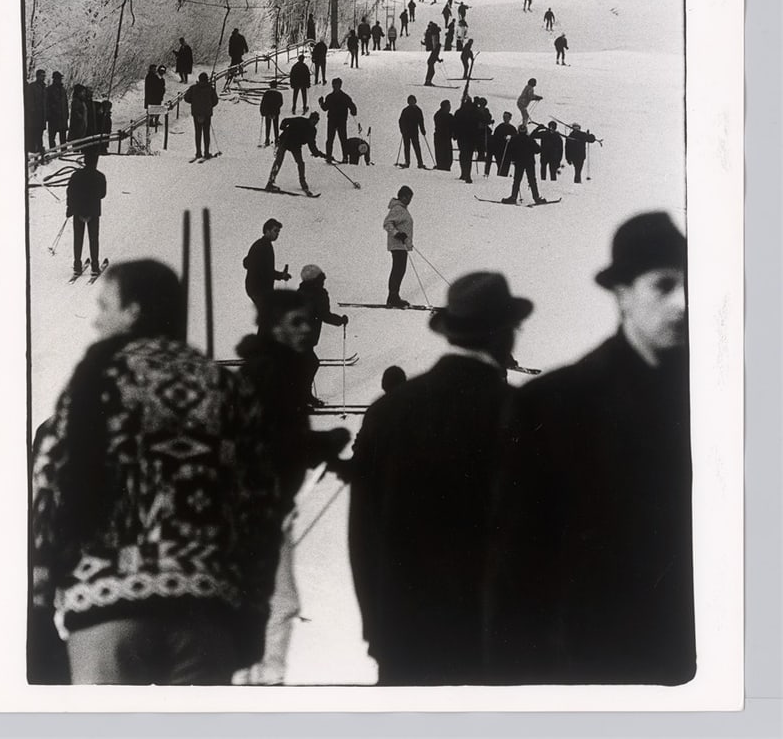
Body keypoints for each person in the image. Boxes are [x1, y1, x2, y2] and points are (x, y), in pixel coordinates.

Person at [30, 259, 282, 685]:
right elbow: (261, 501)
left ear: (133, 311)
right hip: (206, 610)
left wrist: (40, 594)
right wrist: (253, 611)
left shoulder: (98, 378)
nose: (96, 320)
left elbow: (51, 481)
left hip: (106, 606)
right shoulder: (226, 385)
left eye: (104, 304)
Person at [486, 214, 694, 685]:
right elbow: (517, 575)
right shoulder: (554, 404)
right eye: (663, 285)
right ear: (622, 294)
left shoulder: (737, 390)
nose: (684, 303)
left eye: (693, 283)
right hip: (597, 668)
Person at [348, 271, 534, 684]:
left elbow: (364, 535)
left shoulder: (388, 412)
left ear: (449, 332)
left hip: (405, 640)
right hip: (497, 645)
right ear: (505, 334)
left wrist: (380, 632)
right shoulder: (524, 414)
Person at [231, 291, 351, 684]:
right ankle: (259, 684)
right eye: (297, 322)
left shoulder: (279, 367)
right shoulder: (271, 373)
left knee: (269, 602)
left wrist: (325, 454)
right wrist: (321, 445)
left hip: (263, 505)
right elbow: (268, 439)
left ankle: (252, 676)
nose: (306, 329)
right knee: (278, 603)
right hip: (253, 507)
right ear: (275, 326)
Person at [297, 264, 349, 406]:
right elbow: (324, 315)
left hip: (297, 336)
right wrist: (341, 320)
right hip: (306, 338)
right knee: (310, 364)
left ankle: (303, 397)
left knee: (305, 365)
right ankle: (302, 398)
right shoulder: (319, 294)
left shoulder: (301, 291)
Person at [65, 147, 107, 276]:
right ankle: (95, 266)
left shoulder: (76, 175)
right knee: (93, 238)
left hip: (78, 211)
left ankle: (77, 265)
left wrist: (70, 207)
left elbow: (70, 192)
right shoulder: (100, 176)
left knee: (78, 238)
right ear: (95, 162)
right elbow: (102, 194)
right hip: (93, 211)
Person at [266, 111, 325, 195]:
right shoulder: (300, 121)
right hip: (285, 141)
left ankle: (303, 182)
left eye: (316, 122)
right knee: (279, 160)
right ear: (310, 119)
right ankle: (270, 182)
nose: (314, 123)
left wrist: (319, 154)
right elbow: (285, 120)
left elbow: (312, 145)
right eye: (313, 121)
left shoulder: (312, 131)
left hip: (296, 146)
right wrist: (282, 127)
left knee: (300, 163)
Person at [243, 218, 291, 315]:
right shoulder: (263, 246)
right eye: (275, 231)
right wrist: (281, 275)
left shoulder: (261, 244)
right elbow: (265, 271)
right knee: (269, 316)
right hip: (259, 289)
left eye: (278, 232)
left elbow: (247, 262)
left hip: (256, 289)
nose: (277, 234)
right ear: (267, 231)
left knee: (267, 317)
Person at [382, 186, 414, 309]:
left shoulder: (402, 209)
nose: (409, 200)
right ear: (402, 196)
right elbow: (387, 223)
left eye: (411, 197)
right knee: (398, 270)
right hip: (397, 245)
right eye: (408, 197)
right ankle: (392, 298)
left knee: (400, 270)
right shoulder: (398, 209)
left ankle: (394, 297)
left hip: (402, 245)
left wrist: (408, 242)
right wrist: (397, 234)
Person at [319, 78, 358, 164]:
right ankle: (340, 157)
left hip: (335, 121)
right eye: (335, 85)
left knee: (336, 139)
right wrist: (353, 111)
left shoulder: (330, 97)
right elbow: (352, 106)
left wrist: (321, 103)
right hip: (339, 121)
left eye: (336, 85)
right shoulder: (344, 97)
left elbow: (325, 108)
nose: (335, 86)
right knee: (337, 139)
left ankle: (336, 157)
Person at [501, 124, 542, 203]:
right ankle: (536, 198)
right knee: (532, 180)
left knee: (516, 180)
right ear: (526, 131)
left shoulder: (514, 139)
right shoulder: (530, 139)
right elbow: (538, 150)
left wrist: (513, 159)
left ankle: (513, 197)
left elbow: (510, 151)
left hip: (519, 163)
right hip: (529, 162)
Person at [183, 71, 219, 160]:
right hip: (207, 114)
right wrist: (209, 105)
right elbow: (215, 101)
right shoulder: (210, 88)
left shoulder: (193, 88)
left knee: (198, 133)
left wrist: (194, 103)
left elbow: (186, 98)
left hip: (196, 113)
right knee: (206, 133)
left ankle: (198, 152)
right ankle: (206, 152)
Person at [453, 95, 480, 183]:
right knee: (468, 156)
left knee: (463, 155)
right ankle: (466, 174)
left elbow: (455, 124)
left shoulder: (460, 112)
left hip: (463, 137)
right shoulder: (474, 111)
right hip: (471, 137)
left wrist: (455, 134)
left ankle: (464, 173)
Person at [398, 95, 427, 169]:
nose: (411, 102)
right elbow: (401, 121)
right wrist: (402, 130)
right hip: (406, 132)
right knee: (407, 147)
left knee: (417, 147)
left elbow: (421, 121)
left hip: (414, 131)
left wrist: (422, 130)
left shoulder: (418, 110)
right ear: (408, 102)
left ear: (415, 101)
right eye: (410, 101)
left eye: (413, 101)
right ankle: (407, 162)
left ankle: (420, 163)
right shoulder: (405, 110)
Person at [485, 112, 516, 177]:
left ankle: (504, 175)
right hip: (499, 149)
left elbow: (515, 138)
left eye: (507, 117)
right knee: (500, 164)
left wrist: (511, 138)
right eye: (504, 117)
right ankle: (500, 174)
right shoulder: (499, 127)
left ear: (510, 118)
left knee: (506, 164)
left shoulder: (512, 128)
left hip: (508, 150)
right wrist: (503, 138)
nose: (505, 118)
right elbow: (496, 137)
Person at [26, 69, 48, 154]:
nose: (43, 78)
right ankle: (33, 151)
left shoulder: (44, 88)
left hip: (42, 116)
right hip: (34, 117)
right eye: (42, 76)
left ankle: (39, 150)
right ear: (37, 76)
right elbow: (30, 102)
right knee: (33, 135)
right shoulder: (32, 87)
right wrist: (33, 113)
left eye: (44, 76)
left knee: (40, 135)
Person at [46, 70, 69, 149]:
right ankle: (53, 151)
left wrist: (66, 116)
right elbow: (47, 104)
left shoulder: (63, 90)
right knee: (52, 136)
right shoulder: (49, 90)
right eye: (58, 79)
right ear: (54, 79)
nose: (59, 80)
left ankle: (63, 151)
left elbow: (66, 103)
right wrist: (49, 115)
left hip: (62, 118)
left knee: (63, 137)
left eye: (60, 79)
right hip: (53, 118)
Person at [260, 79, 284, 146]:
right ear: (276, 86)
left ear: (270, 86)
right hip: (275, 112)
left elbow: (263, 103)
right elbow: (281, 103)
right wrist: (276, 108)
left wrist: (262, 111)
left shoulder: (266, 93)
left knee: (268, 126)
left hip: (268, 112)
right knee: (275, 126)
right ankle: (276, 139)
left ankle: (267, 139)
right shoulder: (279, 94)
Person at [433, 100, 454, 171]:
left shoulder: (438, 115)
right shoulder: (442, 116)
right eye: (449, 106)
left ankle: (444, 165)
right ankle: (443, 165)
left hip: (443, 137)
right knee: (443, 152)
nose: (450, 108)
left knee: (444, 152)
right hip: (442, 137)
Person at [144, 63, 165, 129]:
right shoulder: (151, 76)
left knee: (156, 107)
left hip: (155, 96)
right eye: (154, 69)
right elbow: (157, 84)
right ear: (151, 69)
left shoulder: (153, 76)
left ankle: (154, 120)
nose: (155, 70)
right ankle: (151, 121)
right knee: (153, 108)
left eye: (155, 69)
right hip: (153, 96)